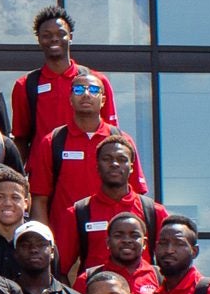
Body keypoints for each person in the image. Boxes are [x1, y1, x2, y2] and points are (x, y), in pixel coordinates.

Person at [28, 72, 145, 256]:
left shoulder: (123, 141)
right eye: (79, 89)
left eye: (94, 90)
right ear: (70, 99)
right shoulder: (53, 142)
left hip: (117, 247)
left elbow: (136, 195)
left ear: (103, 100)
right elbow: (39, 200)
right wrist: (47, 243)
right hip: (66, 245)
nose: (86, 94)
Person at [9, 5, 118, 161]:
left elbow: (111, 134)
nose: (54, 38)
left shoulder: (97, 82)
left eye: (61, 34)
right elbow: (21, 138)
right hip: (42, 172)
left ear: (71, 37)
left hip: (89, 169)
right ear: (39, 39)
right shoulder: (25, 85)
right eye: (46, 35)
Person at [66, 135, 164, 276]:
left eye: (122, 159)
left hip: (144, 293)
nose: (114, 164)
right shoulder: (79, 212)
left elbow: (171, 264)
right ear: (97, 166)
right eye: (107, 159)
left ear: (131, 167)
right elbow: (60, 268)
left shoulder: (153, 211)